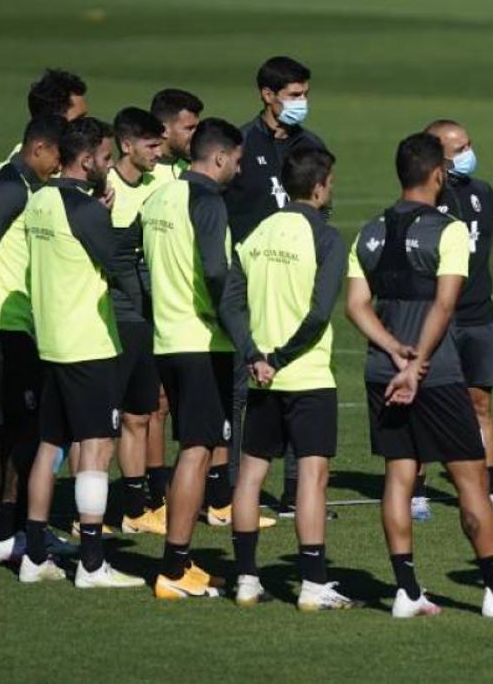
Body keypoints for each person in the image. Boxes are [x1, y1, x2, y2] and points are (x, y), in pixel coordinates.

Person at [346, 132, 493, 619]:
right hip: (434, 376)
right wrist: (416, 365)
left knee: (398, 478)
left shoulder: (370, 231)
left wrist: (394, 350)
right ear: (438, 174)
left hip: (381, 371)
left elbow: (356, 306)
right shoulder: (449, 229)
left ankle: (406, 591)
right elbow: (445, 303)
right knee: (471, 482)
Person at [221, 147, 354, 610]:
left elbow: (230, 305)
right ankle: (314, 585)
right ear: (318, 188)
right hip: (306, 376)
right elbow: (319, 313)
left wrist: (254, 355)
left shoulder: (257, 233)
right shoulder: (328, 238)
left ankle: (245, 580)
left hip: (261, 381)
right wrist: (279, 357)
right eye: (330, 183)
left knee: (250, 478)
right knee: (312, 480)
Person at [19, 117, 143, 588]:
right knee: (96, 447)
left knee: (49, 445)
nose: (110, 166)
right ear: (86, 159)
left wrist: (98, 213)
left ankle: (34, 556)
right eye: (107, 158)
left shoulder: (42, 199)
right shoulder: (87, 211)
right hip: (88, 343)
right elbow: (116, 261)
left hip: (50, 341)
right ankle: (92, 563)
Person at [144, 117, 245, 599]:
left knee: (193, 448)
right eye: (238, 161)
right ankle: (174, 566)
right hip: (202, 341)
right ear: (220, 157)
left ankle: (181, 561)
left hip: (167, 335)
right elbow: (215, 271)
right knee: (197, 451)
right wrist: (237, 328)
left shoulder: (160, 196)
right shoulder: (207, 202)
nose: (239, 170)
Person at [226, 57, 327, 521]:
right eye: (293, 94)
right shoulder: (242, 144)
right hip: (251, 275)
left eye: (304, 94)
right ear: (267, 95)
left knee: (299, 376)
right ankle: (232, 491)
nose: (300, 103)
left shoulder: (312, 145)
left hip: (297, 278)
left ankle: (293, 492)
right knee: (246, 382)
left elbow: (322, 214)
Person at [0, 115, 66, 565]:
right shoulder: (13, 188)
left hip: (1, 323)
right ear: (38, 150)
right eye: (56, 156)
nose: (59, 165)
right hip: (2, 325)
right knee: (19, 431)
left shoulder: (7, 178)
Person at [428, 119, 493, 518]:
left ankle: (489, 487)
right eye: (457, 149)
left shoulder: (483, 194)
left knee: (481, 401)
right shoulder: (426, 200)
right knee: (426, 401)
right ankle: (416, 489)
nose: (467, 155)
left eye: (468, 145)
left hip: (479, 314)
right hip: (438, 317)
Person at [107, 107, 174, 536]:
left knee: (139, 413)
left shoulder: (162, 181)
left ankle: (136, 507)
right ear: (126, 145)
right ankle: (86, 512)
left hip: (146, 318)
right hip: (108, 319)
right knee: (98, 423)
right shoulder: (104, 187)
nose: (158, 152)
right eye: (151, 145)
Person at [144, 88, 205, 512]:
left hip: (183, 307)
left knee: (174, 404)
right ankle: (151, 494)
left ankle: (190, 494)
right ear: (163, 129)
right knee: (151, 405)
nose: (195, 134)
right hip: (149, 305)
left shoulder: (188, 171)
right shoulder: (143, 173)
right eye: (190, 127)